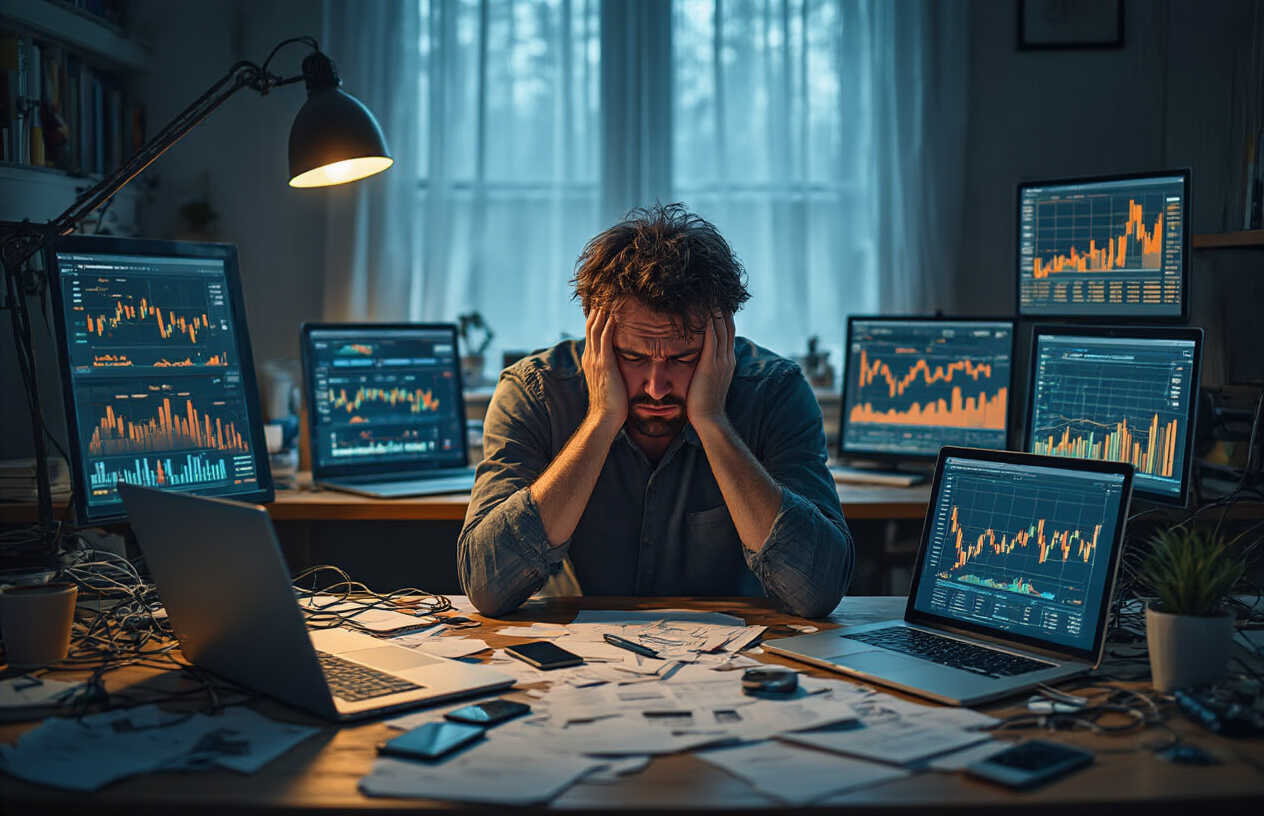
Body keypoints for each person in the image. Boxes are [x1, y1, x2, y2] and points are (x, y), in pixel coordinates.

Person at [458, 203, 854, 617]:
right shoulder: (534, 393)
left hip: (735, 660)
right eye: (631, 356)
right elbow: (488, 587)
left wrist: (713, 422)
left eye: (684, 359)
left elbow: (819, 592)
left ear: (722, 335)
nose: (656, 387)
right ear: (595, 333)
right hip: (576, 659)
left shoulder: (774, 393)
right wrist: (600, 420)